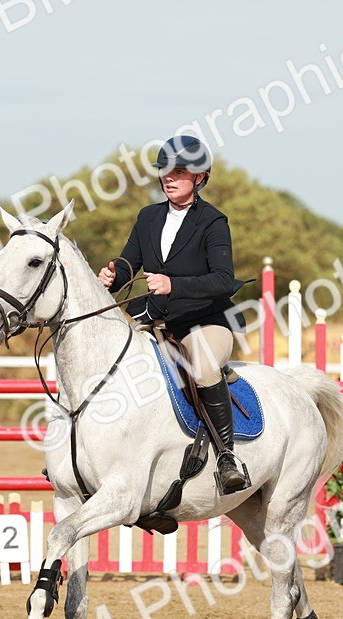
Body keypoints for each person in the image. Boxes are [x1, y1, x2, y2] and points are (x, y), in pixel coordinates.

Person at [97, 135, 249, 492]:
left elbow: (223, 279)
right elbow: (128, 263)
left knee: (204, 366)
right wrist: (112, 275)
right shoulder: (148, 217)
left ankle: (227, 457)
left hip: (206, 322)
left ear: (200, 177)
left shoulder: (213, 221)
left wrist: (173, 285)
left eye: (179, 172)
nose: (169, 177)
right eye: (165, 171)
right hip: (155, 321)